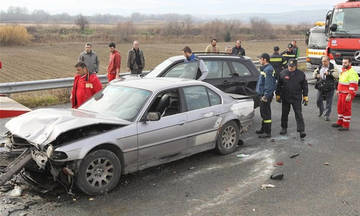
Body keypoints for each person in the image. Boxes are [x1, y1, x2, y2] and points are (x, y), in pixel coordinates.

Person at [276, 59, 308, 138]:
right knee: (284, 114)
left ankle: (301, 130)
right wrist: (278, 95)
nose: (290, 68)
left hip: (296, 97)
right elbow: (278, 85)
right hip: (285, 97)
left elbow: (305, 86)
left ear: (296, 66)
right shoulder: (283, 73)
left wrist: (305, 96)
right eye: (289, 66)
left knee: (298, 114)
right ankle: (284, 128)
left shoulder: (301, 74)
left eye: (292, 67)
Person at [332, 57, 359, 131]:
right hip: (341, 93)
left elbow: (353, 85)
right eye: (343, 62)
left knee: (346, 109)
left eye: (345, 63)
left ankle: (346, 125)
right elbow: (340, 82)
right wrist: (338, 90)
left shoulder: (352, 72)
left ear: (350, 63)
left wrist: (350, 95)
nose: (343, 64)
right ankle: (340, 122)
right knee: (340, 108)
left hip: (347, 94)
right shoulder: (343, 71)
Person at [255, 53, 277, 138]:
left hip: (265, 95)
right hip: (263, 94)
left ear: (264, 59)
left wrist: (266, 96)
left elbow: (269, 84)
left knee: (266, 113)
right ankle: (263, 129)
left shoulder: (268, 70)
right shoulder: (266, 68)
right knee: (263, 112)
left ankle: (267, 132)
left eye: (260, 59)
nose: (259, 60)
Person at [313, 56, 338, 121]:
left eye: (325, 61)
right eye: (322, 61)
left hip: (330, 87)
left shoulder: (333, 67)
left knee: (329, 102)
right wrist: (316, 75)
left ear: (328, 61)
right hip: (321, 86)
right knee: (318, 100)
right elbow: (314, 74)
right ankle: (321, 110)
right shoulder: (320, 66)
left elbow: (337, 75)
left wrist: (329, 73)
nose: (323, 63)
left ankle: (327, 115)